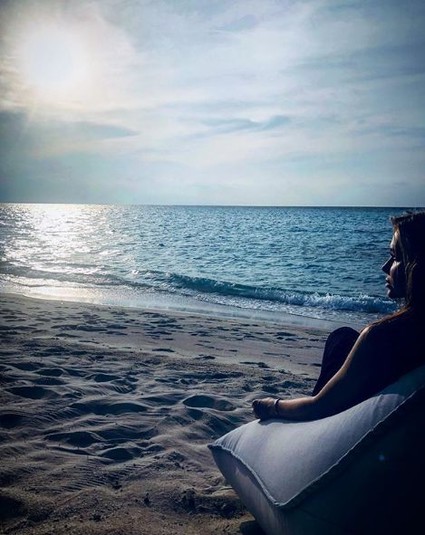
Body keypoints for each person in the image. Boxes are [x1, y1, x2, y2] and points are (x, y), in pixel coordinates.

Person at [252, 211, 425, 421]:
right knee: (344, 338)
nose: (384, 267)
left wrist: (272, 406)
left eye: (396, 257)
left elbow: (317, 407)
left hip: (338, 424)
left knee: (341, 339)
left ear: (417, 267)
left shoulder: (381, 337)